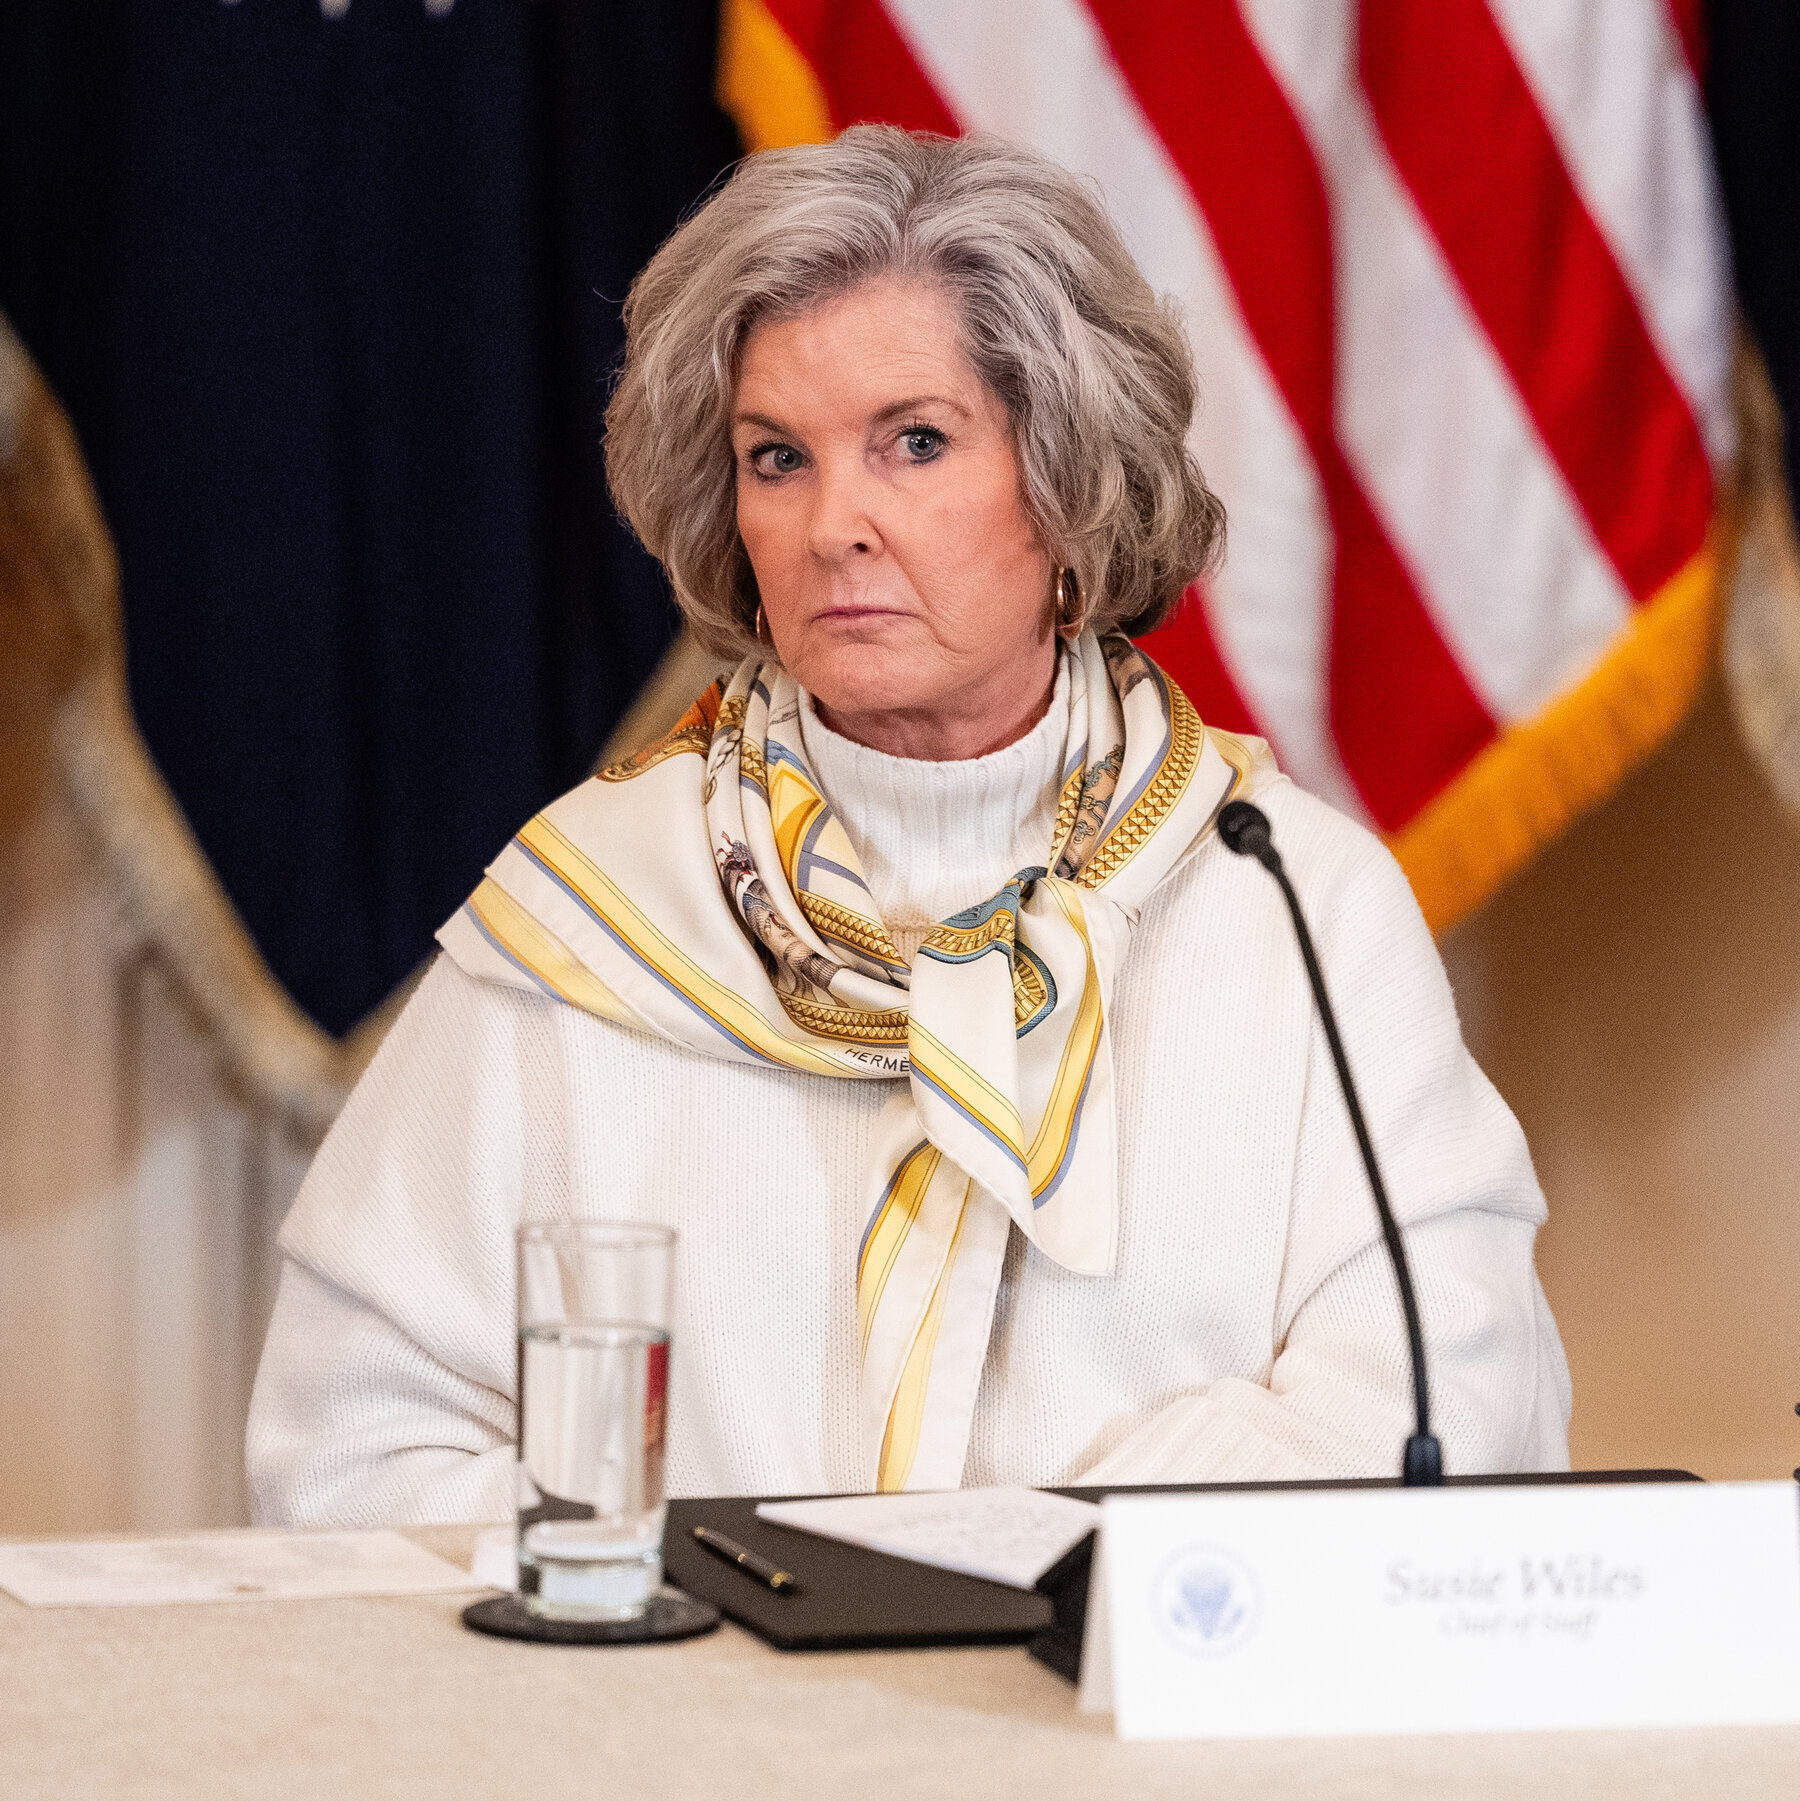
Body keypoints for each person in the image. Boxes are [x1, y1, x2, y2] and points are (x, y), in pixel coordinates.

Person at [247, 127, 1569, 1526]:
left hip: (1133, 1664)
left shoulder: (1295, 902)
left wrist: (1045, 1564)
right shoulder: (586, 920)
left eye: (916, 443)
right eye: (777, 458)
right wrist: (701, 1607)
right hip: (692, 1672)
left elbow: (1451, 1408)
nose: (835, 525)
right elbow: (351, 1456)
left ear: (1067, 478)